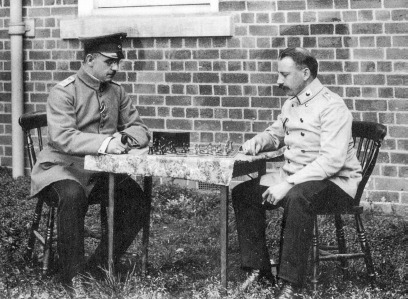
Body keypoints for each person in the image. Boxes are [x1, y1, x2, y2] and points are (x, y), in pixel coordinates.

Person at [232, 47, 362, 298]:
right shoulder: (291, 103)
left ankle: (291, 283)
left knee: (296, 197)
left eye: (284, 74)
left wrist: (287, 183)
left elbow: (331, 162)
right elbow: (275, 134)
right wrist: (256, 143)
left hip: (336, 183)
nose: (278, 81)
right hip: (296, 178)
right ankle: (258, 271)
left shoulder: (332, 106)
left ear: (305, 73)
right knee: (244, 192)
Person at [30, 32, 151, 291]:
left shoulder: (117, 92)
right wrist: (106, 143)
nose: (115, 68)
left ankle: (98, 266)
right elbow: (63, 137)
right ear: (89, 59)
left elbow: (140, 129)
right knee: (72, 196)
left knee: (136, 200)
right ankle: (73, 277)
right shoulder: (63, 92)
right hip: (61, 169)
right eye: (109, 62)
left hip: (98, 173)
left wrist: (125, 139)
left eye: (117, 62)